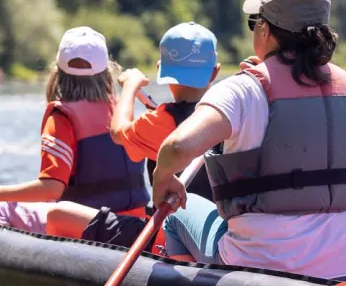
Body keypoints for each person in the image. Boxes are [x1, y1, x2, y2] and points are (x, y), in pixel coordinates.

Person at [149, 0, 346, 280]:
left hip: (261, 266)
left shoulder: (243, 89)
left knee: (176, 216)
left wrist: (163, 176)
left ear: (266, 30)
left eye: (254, 23)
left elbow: (178, 147)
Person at [45, 21, 222, 247]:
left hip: (172, 236)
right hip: (216, 230)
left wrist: (130, 87)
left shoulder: (162, 119)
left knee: (58, 214)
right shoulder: (226, 115)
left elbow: (118, 132)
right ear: (214, 72)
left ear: (160, 69)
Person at [0, 27, 147, 235]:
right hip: (133, 225)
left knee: (3, 208)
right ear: (106, 71)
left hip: (85, 226)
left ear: (59, 72)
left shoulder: (62, 117)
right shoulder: (123, 110)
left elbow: (52, 188)